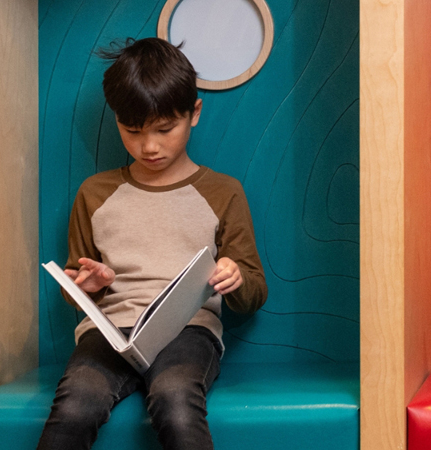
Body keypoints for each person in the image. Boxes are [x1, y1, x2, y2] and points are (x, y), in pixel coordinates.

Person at [37, 37, 267, 450]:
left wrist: (235, 278)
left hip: (189, 330)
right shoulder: (95, 193)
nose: (150, 146)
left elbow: (253, 293)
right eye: (133, 130)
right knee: (74, 407)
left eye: (165, 129)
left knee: (175, 398)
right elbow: (77, 283)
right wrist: (88, 286)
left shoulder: (223, 192)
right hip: (109, 333)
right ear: (117, 121)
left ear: (193, 113)